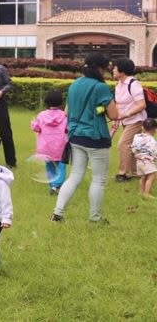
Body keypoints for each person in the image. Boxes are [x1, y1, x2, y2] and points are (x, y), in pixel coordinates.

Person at [51, 53, 118, 223]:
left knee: (74, 176)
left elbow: (67, 112)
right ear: (100, 68)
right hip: (96, 138)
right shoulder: (100, 87)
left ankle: (57, 213)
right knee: (98, 179)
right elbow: (114, 114)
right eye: (105, 69)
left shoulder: (74, 85)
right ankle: (95, 218)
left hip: (76, 137)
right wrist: (101, 110)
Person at [111, 58, 145, 182]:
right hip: (125, 121)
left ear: (123, 70)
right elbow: (118, 103)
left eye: (115, 67)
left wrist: (126, 114)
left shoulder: (134, 84)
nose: (113, 69)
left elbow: (141, 105)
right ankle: (134, 172)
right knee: (132, 146)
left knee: (123, 144)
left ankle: (123, 173)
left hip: (136, 120)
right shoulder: (118, 84)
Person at [31, 90, 68, 195]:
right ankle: (57, 185)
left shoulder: (41, 115)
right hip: (60, 147)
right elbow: (67, 129)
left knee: (50, 167)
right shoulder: (64, 116)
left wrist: (33, 123)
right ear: (61, 102)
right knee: (61, 166)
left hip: (45, 147)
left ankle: (52, 185)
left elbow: (37, 128)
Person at [130, 118, 157, 199]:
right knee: (152, 176)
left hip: (139, 161)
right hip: (147, 162)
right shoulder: (153, 141)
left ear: (142, 128)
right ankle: (146, 193)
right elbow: (155, 153)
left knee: (143, 177)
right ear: (155, 129)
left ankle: (141, 192)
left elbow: (134, 148)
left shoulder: (136, 137)